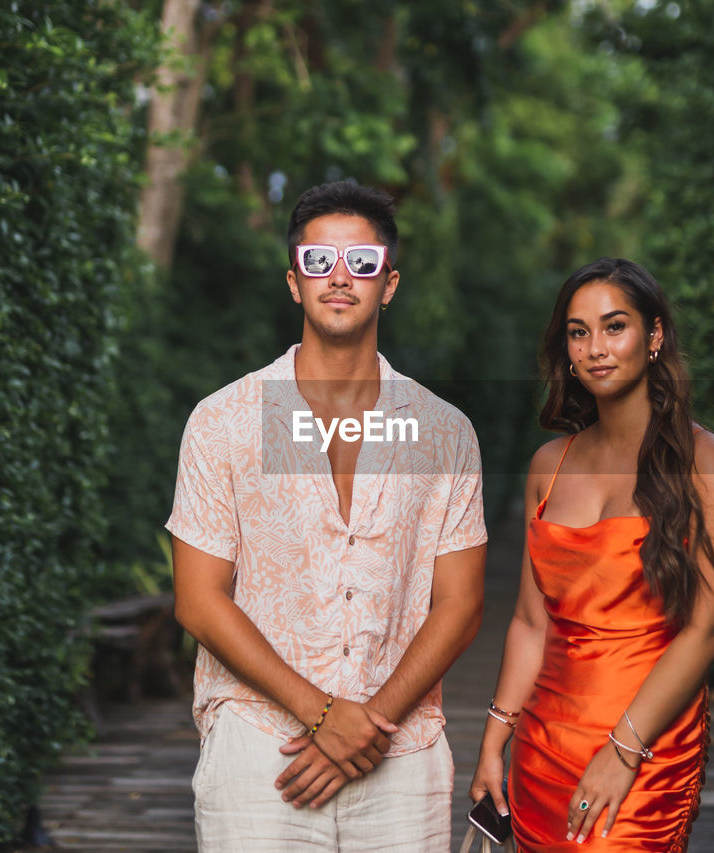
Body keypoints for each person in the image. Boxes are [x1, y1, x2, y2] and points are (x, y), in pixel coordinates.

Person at [168, 180, 488, 851]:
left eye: (362, 263)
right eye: (319, 262)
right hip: (260, 751)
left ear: (389, 283)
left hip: (399, 757)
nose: (339, 278)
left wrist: (368, 722)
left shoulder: (443, 432)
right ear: (294, 281)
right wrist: (322, 715)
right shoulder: (224, 420)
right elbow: (199, 600)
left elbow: (459, 604)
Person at [469, 258, 714, 851]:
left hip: (645, 747)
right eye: (578, 331)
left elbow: (710, 624)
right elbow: (529, 620)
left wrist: (623, 751)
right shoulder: (550, 464)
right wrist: (495, 741)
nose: (595, 347)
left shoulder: (706, 461)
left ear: (654, 336)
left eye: (614, 326)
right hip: (542, 748)